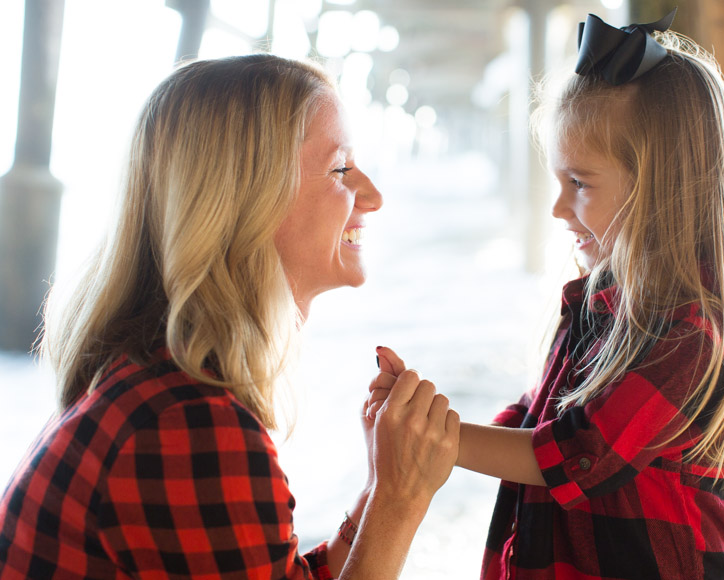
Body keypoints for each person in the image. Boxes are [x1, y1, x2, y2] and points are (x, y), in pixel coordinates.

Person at [0, 54, 459, 579]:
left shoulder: (157, 382)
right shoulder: (187, 423)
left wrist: (381, 485)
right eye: (340, 168)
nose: (373, 197)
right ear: (246, 202)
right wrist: (400, 504)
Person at [370, 10, 724, 580]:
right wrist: (420, 415)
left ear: (662, 187)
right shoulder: (593, 304)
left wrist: (438, 442)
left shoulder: (692, 338)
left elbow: (574, 454)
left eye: (578, 184)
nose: (557, 209)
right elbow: (532, 421)